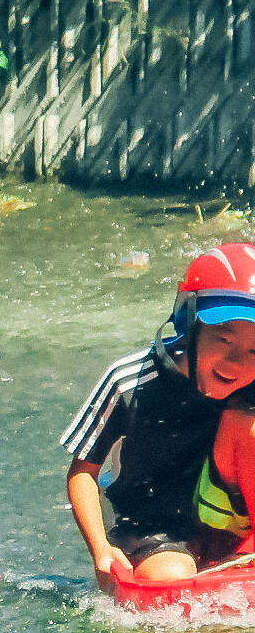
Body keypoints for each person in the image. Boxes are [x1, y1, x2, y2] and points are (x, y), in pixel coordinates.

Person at [63, 243, 255, 589]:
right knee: (171, 581)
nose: (236, 362)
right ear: (188, 325)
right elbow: (83, 472)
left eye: (254, 350)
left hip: (224, 520)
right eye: (223, 339)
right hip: (149, 524)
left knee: (247, 422)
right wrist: (101, 550)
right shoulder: (130, 381)